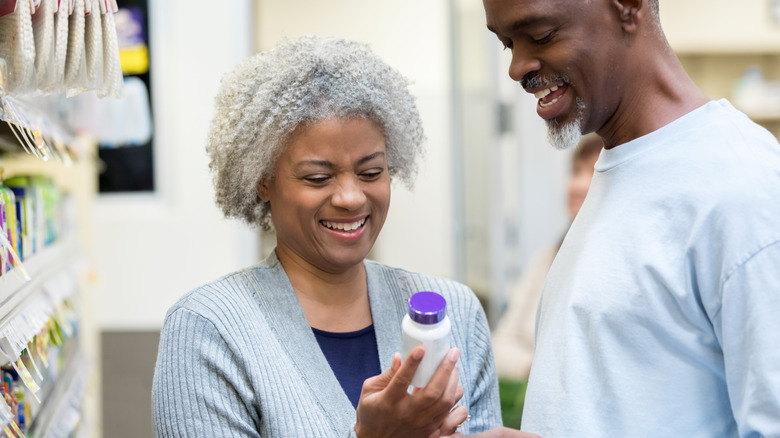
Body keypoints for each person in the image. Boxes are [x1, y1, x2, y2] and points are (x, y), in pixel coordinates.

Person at [151, 35, 502, 438]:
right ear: (263, 180)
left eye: (371, 172)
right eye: (318, 177)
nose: (351, 198)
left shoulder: (455, 312)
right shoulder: (209, 330)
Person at [475, 0, 780, 436]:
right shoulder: (620, 170)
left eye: (540, 35)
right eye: (507, 44)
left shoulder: (743, 188)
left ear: (628, 6)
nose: (517, 67)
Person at [492, 134, 602, 382]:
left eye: (595, 174)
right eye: (576, 171)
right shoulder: (547, 259)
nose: (579, 185)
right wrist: (537, 370)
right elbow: (501, 344)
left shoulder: (619, 269)